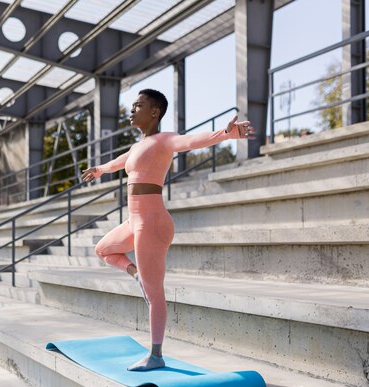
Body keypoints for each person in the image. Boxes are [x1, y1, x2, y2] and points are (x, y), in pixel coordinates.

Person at [80, 89, 256, 371]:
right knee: (104, 249)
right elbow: (119, 162)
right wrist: (99, 169)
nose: (131, 110)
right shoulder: (139, 145)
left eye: (138, 106)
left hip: (152, 222)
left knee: (154, 294)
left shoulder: (164, 140)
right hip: (135, 221)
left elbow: (189, 141)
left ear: (154, 112)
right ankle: (136, 274)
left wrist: (227, 134)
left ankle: (156, 355)